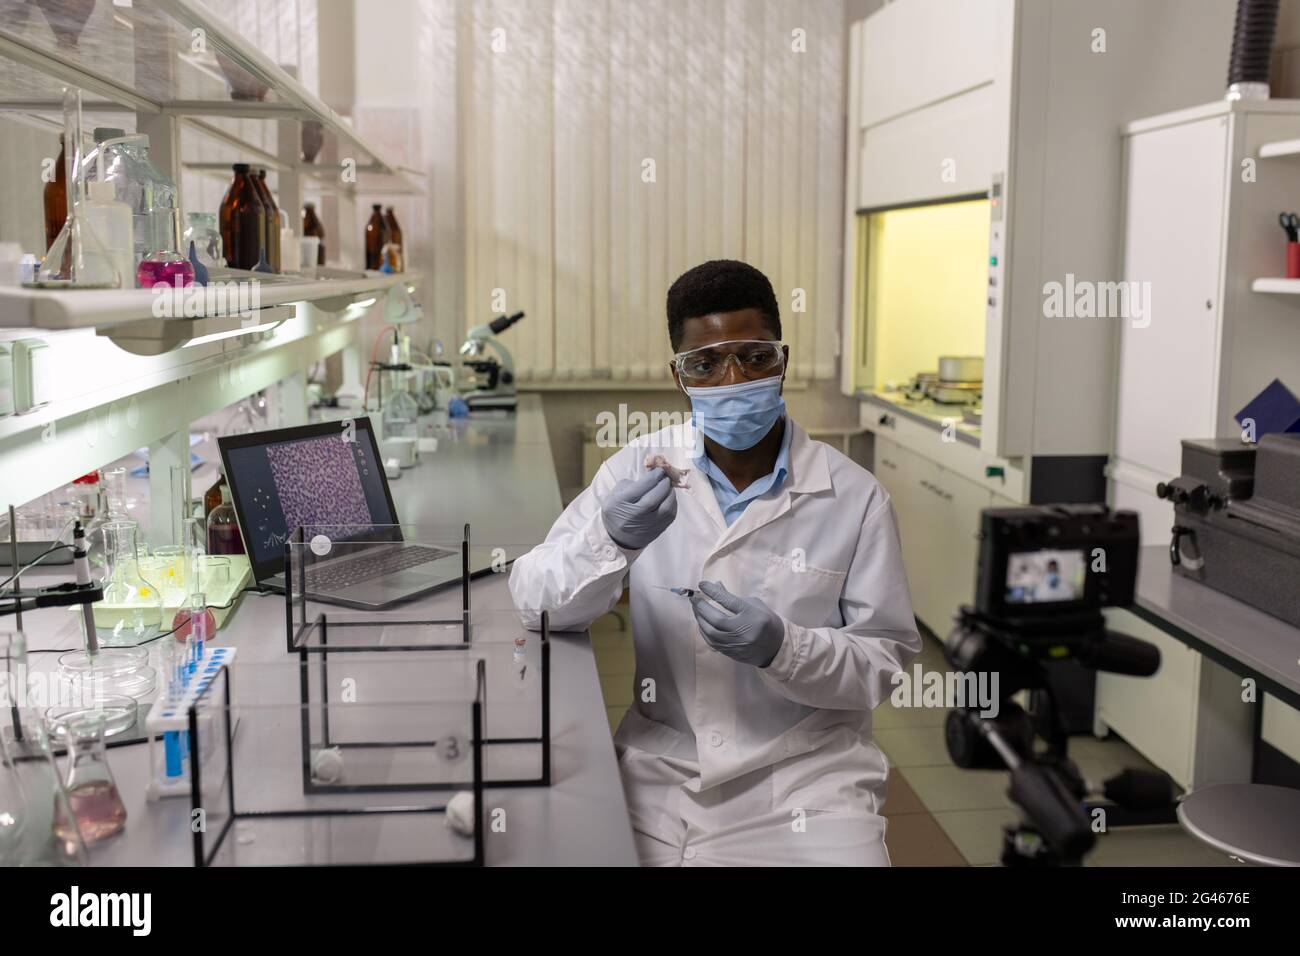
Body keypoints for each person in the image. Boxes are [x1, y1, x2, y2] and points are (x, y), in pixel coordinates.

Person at [508, 259, 921, 866]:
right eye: (706, 363)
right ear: (679, 376)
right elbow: (535, 601)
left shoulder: (854, 498)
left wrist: (786, 649)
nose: (733, 379)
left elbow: (882, 663)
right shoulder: (636, 469)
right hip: (664, 761)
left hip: (808, 773)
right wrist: (611, 542)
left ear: (783, 359)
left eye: (754, 357)